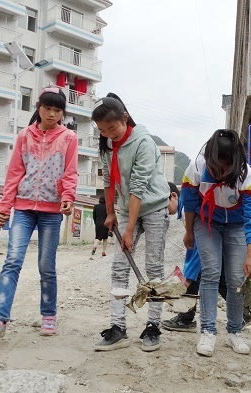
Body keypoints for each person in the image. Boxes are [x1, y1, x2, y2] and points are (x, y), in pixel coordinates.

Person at [0, 87, 78, 342]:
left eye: (57, 110)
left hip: (52, 212)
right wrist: (4, 206)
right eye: (47, 108)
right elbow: (14, 174)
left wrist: (68, 197)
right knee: (12, 261)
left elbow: (70, 172)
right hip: (22, 209)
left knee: (46, 266)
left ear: (62, 112)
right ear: (38, 107)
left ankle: (49, 314)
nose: (52, 114)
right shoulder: (24, 136)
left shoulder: (69, 138)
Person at [92, 93, 170, 352]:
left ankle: (153, 326)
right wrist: (111, 212)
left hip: (154, 207)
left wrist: (128, 229)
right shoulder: (107, 143)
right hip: (125, 208)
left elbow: (137, 187)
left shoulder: (143, 143)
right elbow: (107, 180)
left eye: (112, 128)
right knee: (119, 268)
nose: (109, 134)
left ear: (125, 118)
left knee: (154, 267)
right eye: (103, 130)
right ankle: (118, 328)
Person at [181, 129, 251, 357]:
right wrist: (188, 232)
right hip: (206, 222)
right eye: (214, 167)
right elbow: (188, 202)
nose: (218, 173)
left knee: (237, 278)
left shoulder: (245, 177)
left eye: (224, 169)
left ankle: (235, 331)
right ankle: (208, 331)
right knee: (210, 272)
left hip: (236, 226)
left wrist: (250, 257)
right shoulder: (196, 169)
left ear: (235, 164)